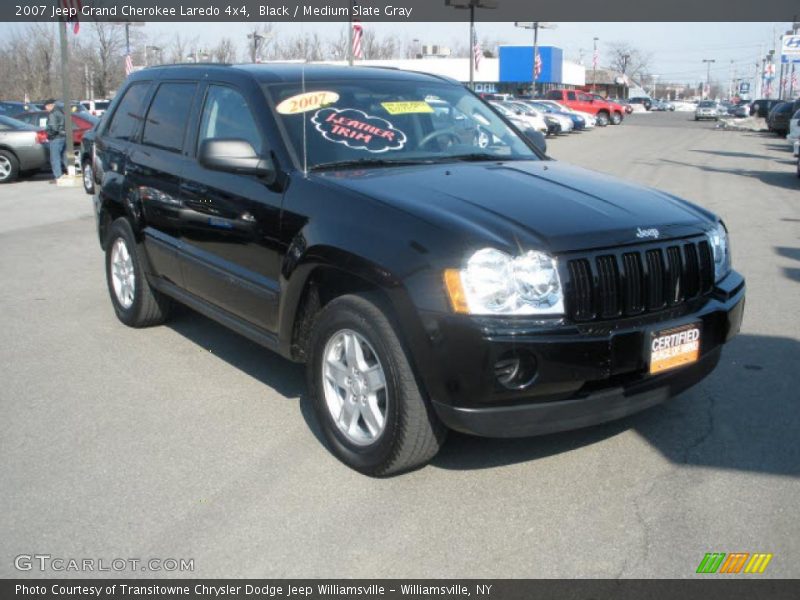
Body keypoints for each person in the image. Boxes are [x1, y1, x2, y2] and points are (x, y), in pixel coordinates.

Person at [45, 101, 66, 183]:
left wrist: (48, 134)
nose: (45, 108)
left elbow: (53, 128)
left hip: (55, 138)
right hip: (63, 136)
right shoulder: (60, 111)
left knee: (55, 158)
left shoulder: (53, 113)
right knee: (64, 156)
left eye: (46, 106)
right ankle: (71, 173)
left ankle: (58, 177)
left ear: (50, 105)